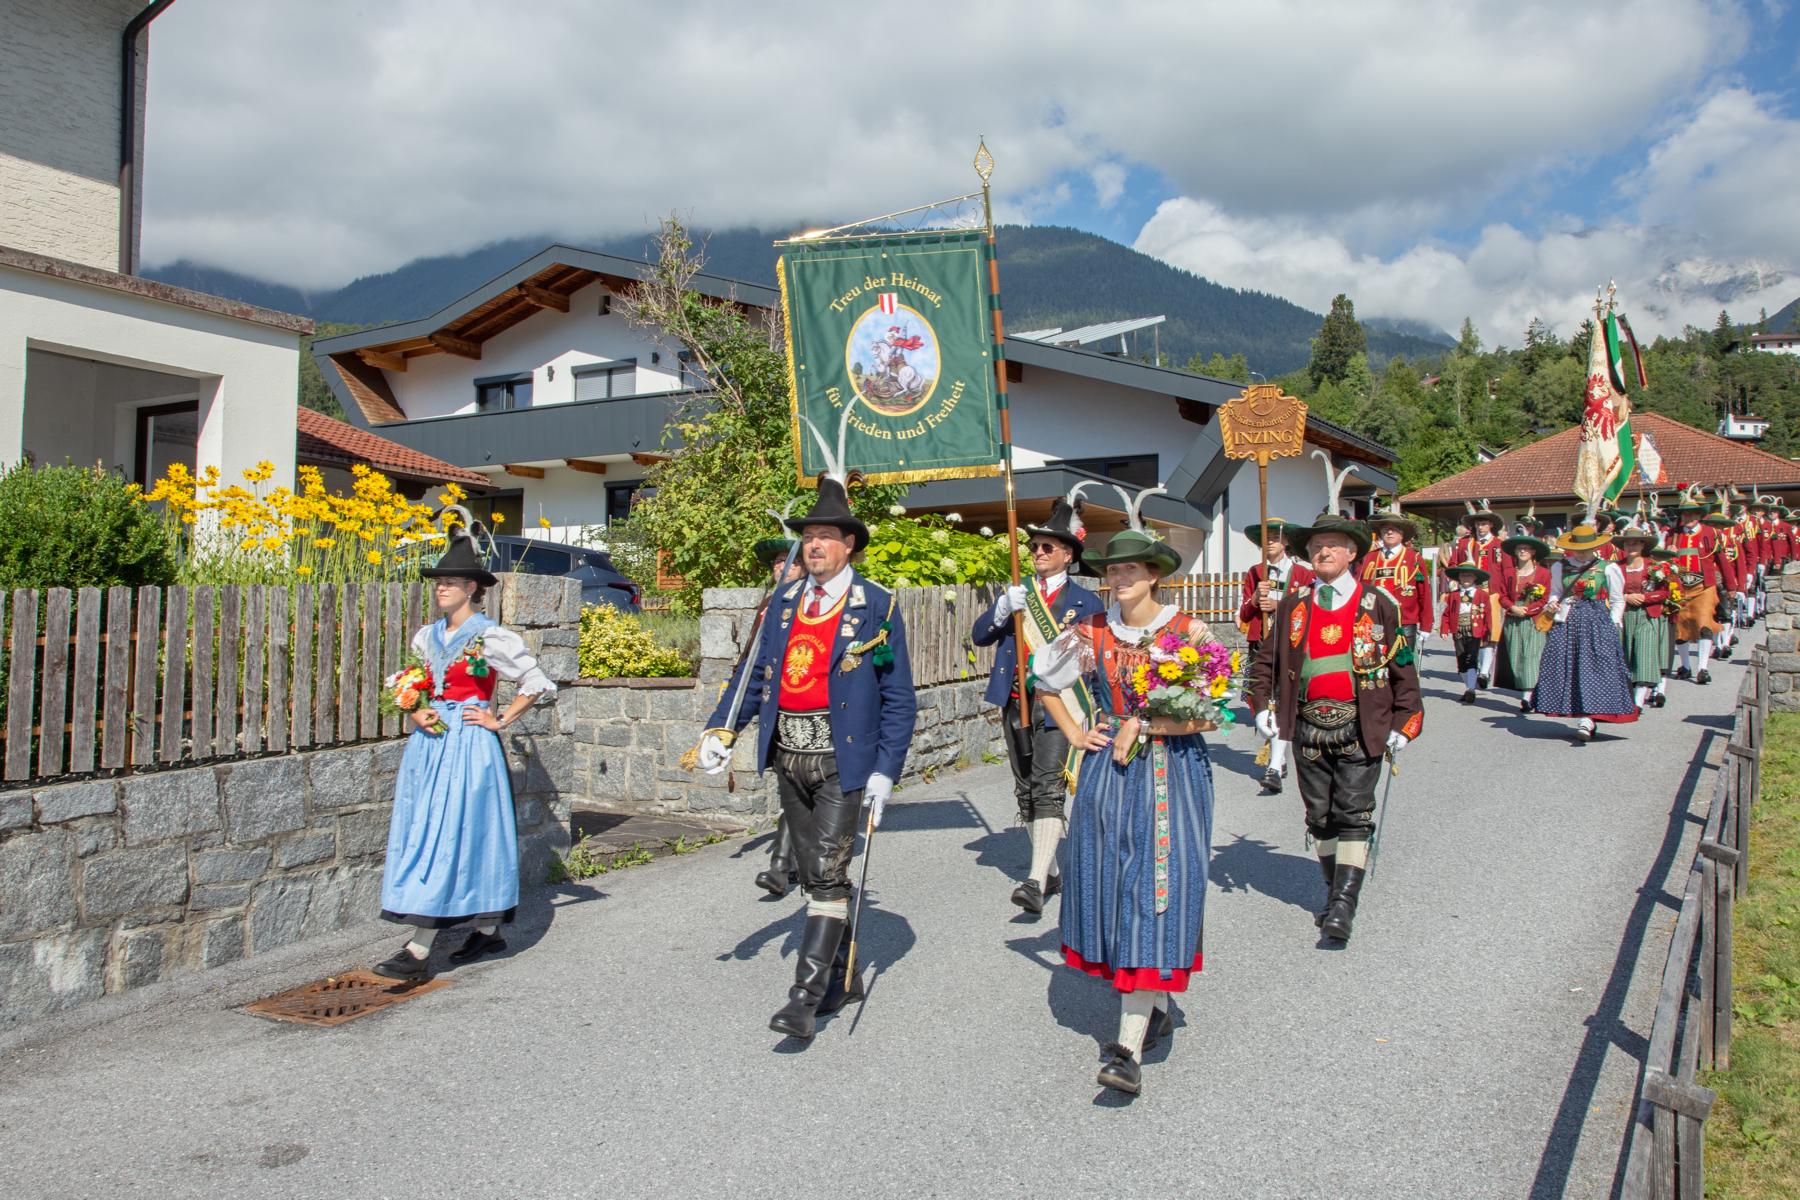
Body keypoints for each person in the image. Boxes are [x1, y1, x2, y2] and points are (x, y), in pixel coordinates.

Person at [693, 471, 916, 1041]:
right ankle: (843, 974)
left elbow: (898, 699)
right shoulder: (785, 601)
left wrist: (886, 773)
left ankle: (804, 996)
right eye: (809, 535)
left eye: (827, 536)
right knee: (816, 874)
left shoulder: (877, 606)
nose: (814, 545)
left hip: (844, 760)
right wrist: (723, 731)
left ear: (849, 546)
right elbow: (753, 676)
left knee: (826, 869)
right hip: (789, 754)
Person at [1030, 494, 1217, 1097]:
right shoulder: (1088, 633)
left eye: (1130, 569)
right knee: (1113, 881)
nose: (1119, 578)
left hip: (1175, 774)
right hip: (1110, 772)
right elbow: (1043, 680)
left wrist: (1152, 724)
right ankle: (1150, 1003)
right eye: (1112, 570)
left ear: (1155, 574)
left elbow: (1214, 711)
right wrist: (1078, 730)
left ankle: (1125, 1048)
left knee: (1157, 887)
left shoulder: (1189, 632)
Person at [1246, 461, 1423, 946]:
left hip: (1363, 722)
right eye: (1316, 547)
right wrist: (1261, 706)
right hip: (1307, 726)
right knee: (1318, 814)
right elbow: (1265, 663)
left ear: (1351, 553)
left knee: (1353, 810)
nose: (1323, 552)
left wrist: (1406, 722)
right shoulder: (1293, 606)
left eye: (1333, 546)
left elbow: (1402, 668)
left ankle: (1343, 904)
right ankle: (1332, 888)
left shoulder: (1379, 604)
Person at [374, 527, 558, 980]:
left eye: (450, 582)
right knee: (431, 829)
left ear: (472, 588)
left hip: (470, 746)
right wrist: (415, 710)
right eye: (438, 582)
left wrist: (499, 719)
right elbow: (412, 684)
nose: (441, 588)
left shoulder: (490, 636)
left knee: (454, 833)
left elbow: (535, 683)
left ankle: (418, 950)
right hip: (429, 745)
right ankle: (489, 928)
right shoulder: (426, 637)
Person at [970, 484, 1105, 915]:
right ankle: (1046, 867)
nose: (1038, 551)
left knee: (1048, 787)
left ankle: (1033, 880)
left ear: (1069, 554)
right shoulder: (1018, 593)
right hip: (1015, 700)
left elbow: (1091, 661)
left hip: (1059, 705)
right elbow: (980, 636)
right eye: (1033, 545)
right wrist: (1001, 610)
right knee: (1026, 789)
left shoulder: (1086, 601)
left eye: (1047, 545)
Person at [1531, 518, 1638, 740]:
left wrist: (1613, 622)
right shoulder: (1561, 566)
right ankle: (1578, 711)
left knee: (1597, 668)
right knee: (1566, 666)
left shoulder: (1608, 568)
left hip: (1597, 620)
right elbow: (1556, 591)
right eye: (1577, 550)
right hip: (1568, 620)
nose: (1580, 554)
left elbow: (1618, 599)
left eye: (1585, 549)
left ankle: (1589, 719)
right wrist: (1552, 602)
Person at [1237, 516, 1313, 793]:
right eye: (1265, 539)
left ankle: (1274, 764)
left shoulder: (1303, 575)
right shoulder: (1255, 572)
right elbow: (1244, 614)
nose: (1269, 543)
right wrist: (1257, 599)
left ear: (1286, 542)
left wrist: (1279, 604)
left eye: (1275, 538)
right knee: (1258, 698)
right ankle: (1275, 754)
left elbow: (1308, 611)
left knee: (1283, 699)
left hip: (1289, 645)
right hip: (1260, 641)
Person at [750, 537, 805, 898]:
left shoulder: (809, 603)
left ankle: (782, 865)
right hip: (777, 705)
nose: (780, 568)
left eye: (789, 562)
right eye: (776, 563)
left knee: (797, 786)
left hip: (806, 702)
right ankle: (795, 863)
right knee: (791, 785)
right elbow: (756, 652)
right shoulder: (770, 602)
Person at [1668, 485, 1729, 685]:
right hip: (1680, 586)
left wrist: (1732, 585)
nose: (1689, 518)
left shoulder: (1711, 533)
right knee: (1681, 626)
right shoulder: (1673, 534)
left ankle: (1702, 667)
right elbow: (1663, 560)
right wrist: (1669, 552)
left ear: (1700, 515)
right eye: (1686, 514)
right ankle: (1685, 665)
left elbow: (1722, 560)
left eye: (1693, 514)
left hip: (1704, 586)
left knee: (1704, 624)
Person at [1359, 499, 1431, 655]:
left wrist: (1426, 626)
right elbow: (1360, 590)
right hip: (1375, 621)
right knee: (1376, 667)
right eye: (1385, 529)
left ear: (1402, 533)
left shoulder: (1414, 558)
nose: (1389, 532)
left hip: (1404, 623)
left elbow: (1424, 594)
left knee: (1403, 669)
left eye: (1394, 529)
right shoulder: (1370, 558)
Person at [1495, 528, 1553, 712]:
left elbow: (1545, 599)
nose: (1523, 551)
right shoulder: (1509, 572)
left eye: (1527, 548)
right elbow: (1502, 595)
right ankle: (1528, 691)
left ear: (1533, 552)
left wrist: (1528, 610)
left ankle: (1528, 697)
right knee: (1516, 657)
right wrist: (1512, 607)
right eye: (1520, 548)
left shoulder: (1543, 573)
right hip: (1513, 617)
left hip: (1534, 619)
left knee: (1532, 656)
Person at [1615, 520, 1671, 711]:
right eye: (1628, 543)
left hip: (1647, 615)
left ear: (1643, 545)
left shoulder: (1653, 566)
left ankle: (1638, 701)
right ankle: (1625, 697)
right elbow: (1607, 591)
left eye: (1636, 542)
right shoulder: (1615, 568)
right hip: (1623, 615)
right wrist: (1625, 597)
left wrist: (1645, 597)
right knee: (1626, 655)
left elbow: (1665, 593)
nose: (1631, 546)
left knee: (1644, 653)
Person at [1438, 560, 1500, 704]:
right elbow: (1447, 613)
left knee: (1471, 658)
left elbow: (1488, 614)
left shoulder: (1481, 595)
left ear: (1475, 578)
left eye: (1469, 576)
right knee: (1461, 660)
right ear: (1459, 578)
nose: (1466, 579)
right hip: (1458, 630)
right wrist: (1444, 629)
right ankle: (1468, 688)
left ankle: (1471, 689)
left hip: (1475, 630)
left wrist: (1487, 632)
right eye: (1463, 576)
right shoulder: (1453, 595)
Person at [1444, 499, 1508, 600]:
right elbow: (1453, 563)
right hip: (1468, 592)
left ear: (1491, 524)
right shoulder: (1464, 543)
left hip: (1493, 593)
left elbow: (1507, 570)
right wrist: (1453, 581)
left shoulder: (1500, 544)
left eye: (1483, 524)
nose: (1480, 527)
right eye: (1478, 524)